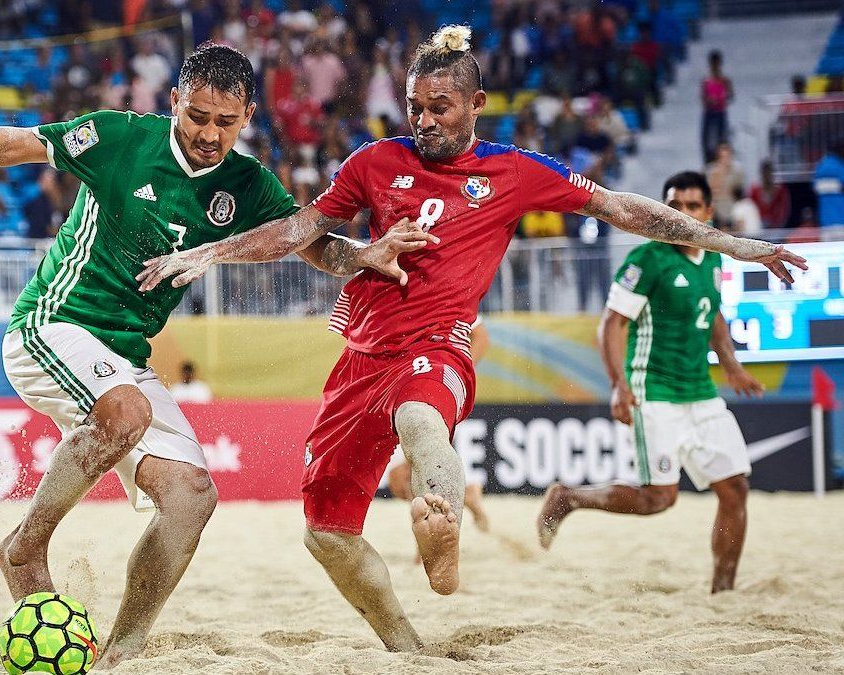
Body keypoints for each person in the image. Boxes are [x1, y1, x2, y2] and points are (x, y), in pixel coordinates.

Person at [136, 25, 805, 651]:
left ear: (477, 103)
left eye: (440, 107)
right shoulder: (375, 162)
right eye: (415, 107)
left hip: (439, 345)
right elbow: (301, 228)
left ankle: (442, 520)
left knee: (425, 423)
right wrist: (214, 252)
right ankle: (410, 647)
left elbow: (624, 208)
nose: (425, 121)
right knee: (326, 534)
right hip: (359, 359)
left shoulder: (514, 170)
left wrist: (738, 245)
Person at [0, 43, 411, 667]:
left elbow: (310, 245)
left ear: (247, 116)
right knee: (125, 414)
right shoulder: (117, 136)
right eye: (196, 116)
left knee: (192, 499)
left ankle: (124, 648)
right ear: (174, 100)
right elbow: (10, 144)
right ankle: (25, 546)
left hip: (126, 356)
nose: (208, 134)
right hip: (52, 324)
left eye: (224, 123)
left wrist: (363, 256)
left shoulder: (248, 183)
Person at [537, 171, 764, 593]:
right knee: (659, 498)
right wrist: (619, 384)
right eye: (673, 206)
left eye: (691, 206)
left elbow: (711, 313)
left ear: (708, 212)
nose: (681, 215)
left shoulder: (713, 259)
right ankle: (569, 498)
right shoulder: (648, 259)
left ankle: (723, 593)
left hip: (700, 392)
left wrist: (730, 363)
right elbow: (612, 324)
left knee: (735, 489)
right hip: (653, 391)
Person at [385, 317, 490, 534]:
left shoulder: (448, 294)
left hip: (434, 387)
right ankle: (466, 495)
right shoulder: (396, 296)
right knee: (398, 480)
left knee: (415, 470)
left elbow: (481, 337)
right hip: (401, 386)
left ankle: (425, 542)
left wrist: (460, 371)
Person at [701, 50, 733, 164]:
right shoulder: (706, 80)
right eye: (713, 63)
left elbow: (731, 96)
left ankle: (722, 161)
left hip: (720, 112)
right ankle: (708, 162)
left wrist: (722, 97)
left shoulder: (725, 80)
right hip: (709, 113)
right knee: (706, 140)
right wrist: (709, 101)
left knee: (722, 139)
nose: (715, 65)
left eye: (717, 63)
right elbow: (703, 98)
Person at [750, 159, 790, 229]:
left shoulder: (780, 190)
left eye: (769, 173)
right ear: (761, 174)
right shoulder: (754, 190)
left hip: (777, 226)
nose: (767, 176)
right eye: (765, 173)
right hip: (759, 226)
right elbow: (751, 209)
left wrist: (777, 223)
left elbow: (784, 209)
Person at [813, 140, 844, 228]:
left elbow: (815, 188)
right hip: (841, 220)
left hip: (825, 222)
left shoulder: (820, 166)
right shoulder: (840, 167)